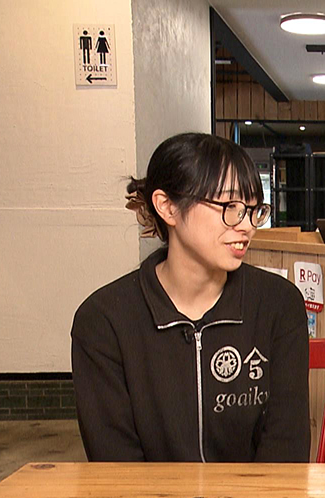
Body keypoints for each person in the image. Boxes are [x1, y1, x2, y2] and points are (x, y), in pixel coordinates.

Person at [71, 133, 310, 463]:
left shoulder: (279, 305)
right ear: (167, 207)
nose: (246, 226)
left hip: (256, 497)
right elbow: (116, 465)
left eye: (253, 210)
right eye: (229, 207)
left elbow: (287, 448)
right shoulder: (104, 321)